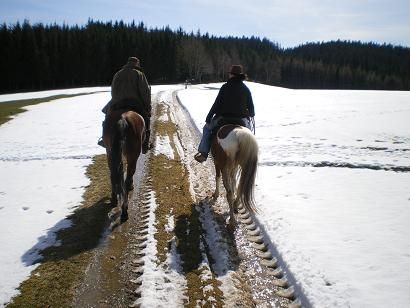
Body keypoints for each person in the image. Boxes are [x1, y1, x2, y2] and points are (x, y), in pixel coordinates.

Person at [194, 64, 255, 163]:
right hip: (241, 120)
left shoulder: (225, 87)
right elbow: (252, 109)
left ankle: (204, 153)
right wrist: (250, 113)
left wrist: (209, 117)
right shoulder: (246, 89)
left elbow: (217, 103)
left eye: (230, 74)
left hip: (224, 118)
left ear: (232, 75)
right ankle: (250, 156)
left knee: (207, 128)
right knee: (249, 134)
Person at [98, 56, 152, 153]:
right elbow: (145, 92)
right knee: (146, 119)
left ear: (127, 63)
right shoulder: (140, 74)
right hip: (134, 102)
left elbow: (113, 90)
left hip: (118, 102)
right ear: (137, 64)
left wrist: (116, 100)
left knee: (107, 117)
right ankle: (145, 144)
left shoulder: (118, 74)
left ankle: (104, 139)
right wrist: (147, 107)